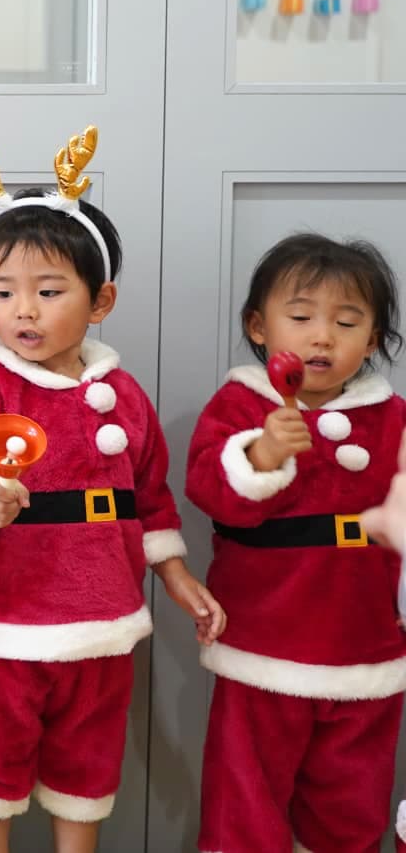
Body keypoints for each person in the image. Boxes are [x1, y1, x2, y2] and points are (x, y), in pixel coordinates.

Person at [0, 128, 222, 853]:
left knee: (87, 759)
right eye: (3, 292)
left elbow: (150, 496)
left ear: (101, 300)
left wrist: (177, 575)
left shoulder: (123, 392)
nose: (23, 310)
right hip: (5, 617)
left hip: (102, 617)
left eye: (48, 291)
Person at [185, 233, 406, 853]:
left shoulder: (394, 418)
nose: (323, 338)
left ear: (373, 338)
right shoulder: (239, 405)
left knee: (352, 806)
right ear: (259, 326)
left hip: (368, 651)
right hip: (264, 646)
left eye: (347, 323)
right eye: (302, 318)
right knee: (244, 801)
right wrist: (261, 453)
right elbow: (208, 490)